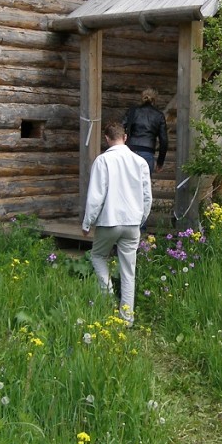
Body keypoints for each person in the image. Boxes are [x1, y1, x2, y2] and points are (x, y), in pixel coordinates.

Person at [82, 120, 152, 326]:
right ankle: (127, 318)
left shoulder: (103, 161)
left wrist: (88, 222)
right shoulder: (140, 162)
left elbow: (96, 195)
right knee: (128, 270)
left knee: (97, 256)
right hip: (132, 223)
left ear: (106, 138)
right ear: (125, 138)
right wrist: (141, 219)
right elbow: (147, 196)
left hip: (109, 221)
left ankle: (107, 299)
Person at [122, 88, 168, 174]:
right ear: (155, 99)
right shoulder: (159, 115)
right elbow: (164, 141)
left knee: (127, 184)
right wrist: (160, 162)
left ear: (142, 98)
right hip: (147, 152)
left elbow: (121, 129)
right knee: (144, 185)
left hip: (130, 150)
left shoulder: (132, 111)